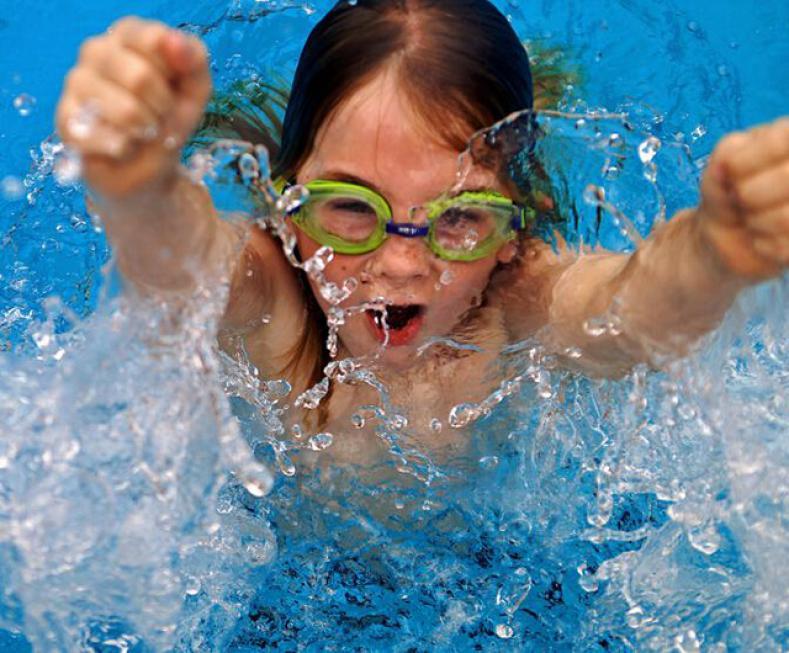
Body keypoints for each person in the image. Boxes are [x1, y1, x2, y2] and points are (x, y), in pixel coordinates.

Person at [55, 0, 787, 459]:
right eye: (350, 208)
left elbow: (624, 313)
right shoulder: (273, 296)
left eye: (459, 217)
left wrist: (711, 251)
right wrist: (137, 186)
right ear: (286, 201)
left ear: (512, 226)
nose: (402, 265)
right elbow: (182, 265)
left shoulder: (517, 299)